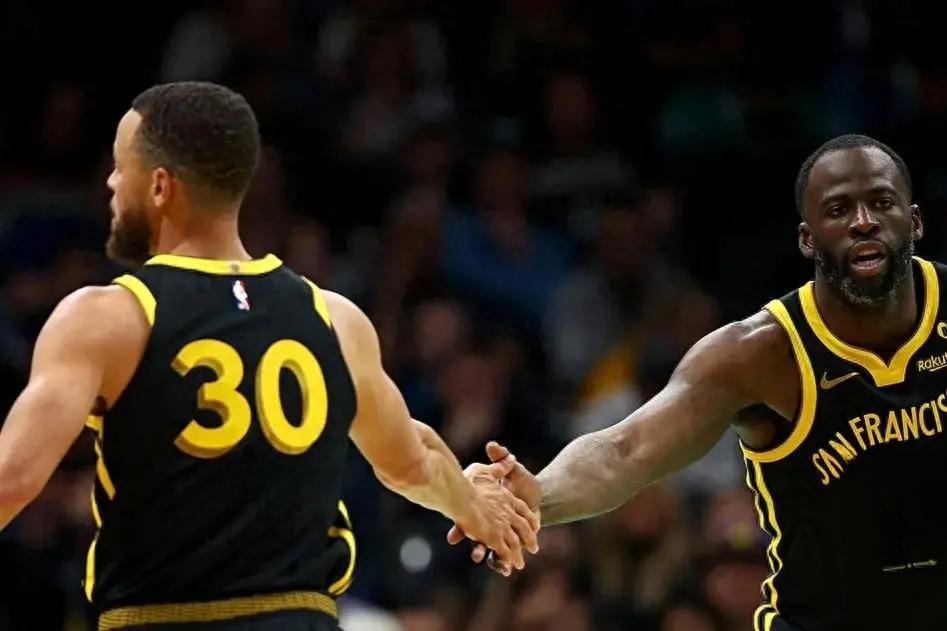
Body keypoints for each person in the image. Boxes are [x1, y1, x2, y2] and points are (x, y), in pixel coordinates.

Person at [0, 81, 538, 630]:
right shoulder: (334, 318)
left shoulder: (106, 317)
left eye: (120, 167)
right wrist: (475, 506)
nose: (111, 183)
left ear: (159, 186)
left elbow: (10, 480)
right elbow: (412, 459)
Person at [452, 134, 947, 631]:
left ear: (916, 221)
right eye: (838, 210)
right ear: (807, 239)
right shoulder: (759, 352)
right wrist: (533, 497)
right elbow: (626, 450)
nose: (863, 221)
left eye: (882, 202)